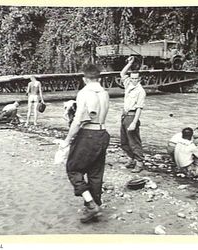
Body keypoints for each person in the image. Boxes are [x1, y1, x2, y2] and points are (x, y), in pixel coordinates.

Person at [60, 64, 110, 223]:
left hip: (89, 133)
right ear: (99, 78)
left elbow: (78, 120)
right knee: (95, 172)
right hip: (103, 132)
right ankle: (96, 205)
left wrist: (67, 141)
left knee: (73, 168)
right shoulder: (105, 93)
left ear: (84, 78)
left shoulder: (84, 93)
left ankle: (91, 205)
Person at [120, 56, 146, 173]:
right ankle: (131, 159)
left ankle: (139, 163)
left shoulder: (141, 91)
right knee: (124, 141)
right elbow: (122, 73)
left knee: (134, 141)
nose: (134, 80)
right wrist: (130, 63)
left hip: (132, 116)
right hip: (124, 115)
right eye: (132, 78)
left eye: (136, 79)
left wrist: (134, 123)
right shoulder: (128, 85)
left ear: (139, 79)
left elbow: (139, 108)